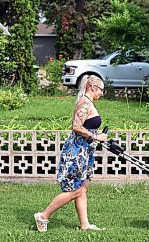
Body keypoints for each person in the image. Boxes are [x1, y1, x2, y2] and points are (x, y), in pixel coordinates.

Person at [34, 75, 108, 232]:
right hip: (76, 151)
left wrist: (97, 133)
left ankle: (85, 225)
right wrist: (95, 136)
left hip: (86, 150)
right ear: (92, 88)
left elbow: (86, 126)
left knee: (83, 187)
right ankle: (43, 216)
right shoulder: (84, 103)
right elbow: (76, 126)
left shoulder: (88, 103)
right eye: (101, 89)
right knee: (75, 189)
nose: (102, 93)